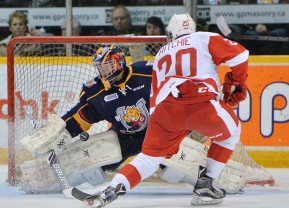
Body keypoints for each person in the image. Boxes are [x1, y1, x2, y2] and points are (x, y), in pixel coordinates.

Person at [20, 44, 247, 195]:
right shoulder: (97, 91)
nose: (103, 71)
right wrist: (58, 136)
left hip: (163, 133)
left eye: (107, 65)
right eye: (100, 68)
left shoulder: (147, 71)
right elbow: (80, 118)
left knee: (183, 163)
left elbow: (182, 87)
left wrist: (195, 122)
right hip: (124, 138)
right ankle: (38, 178)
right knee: (92, 160)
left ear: (119, 61)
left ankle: (222, 178)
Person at [78, 13, 248, 208]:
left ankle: (112, 189)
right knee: (232, 132)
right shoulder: (203, 37)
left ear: (170, 34)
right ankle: (206, 183)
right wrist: (237, 83)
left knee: (148, 159)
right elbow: (241, 56)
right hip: (200, 101)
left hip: (165, 111)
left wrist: (166, 136)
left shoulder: (161, 54)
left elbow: (155, 99)